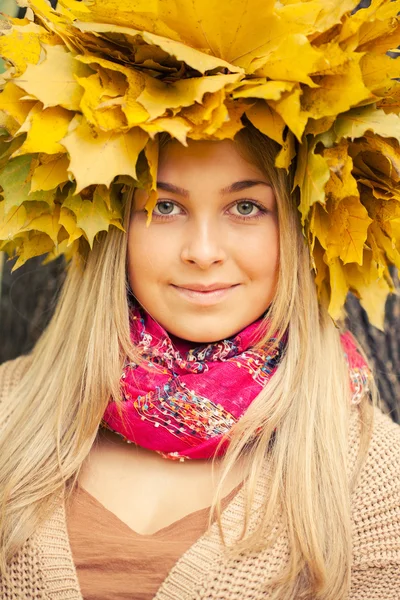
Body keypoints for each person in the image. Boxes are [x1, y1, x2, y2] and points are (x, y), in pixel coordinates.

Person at [0, 1, 400, 599]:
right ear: (113, 225)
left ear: (300, 227)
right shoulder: (9, 414)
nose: (203, 251)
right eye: (165, 206)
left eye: (246, 207)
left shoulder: (373, 478)